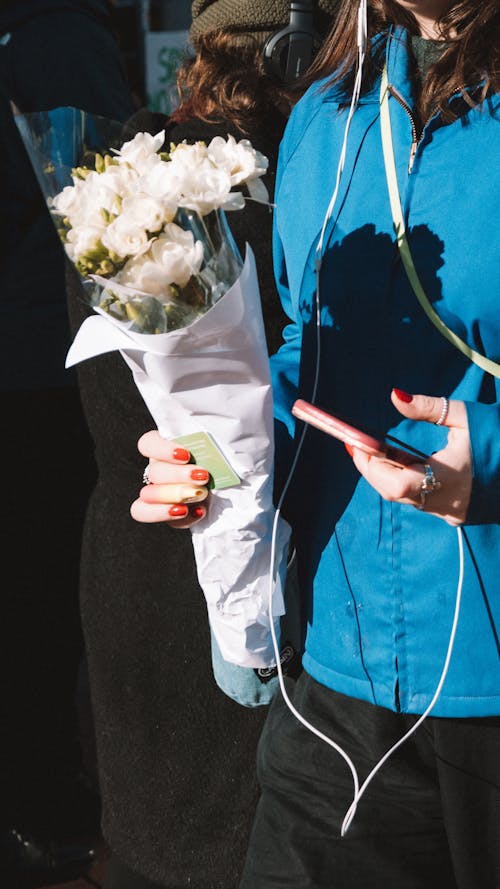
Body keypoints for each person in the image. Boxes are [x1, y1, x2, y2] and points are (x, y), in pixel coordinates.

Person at [133, 2, 500, 888]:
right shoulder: (325, 113)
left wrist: (488, 456)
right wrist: (212, 453)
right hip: (340, 665)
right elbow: (311, 344)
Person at [64, 2, 340, 888]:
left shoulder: (116, 195)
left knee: (149, 846)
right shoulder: (254, 204)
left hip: (132, 566)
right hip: (230, 576)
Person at [0, 1, 135, 886]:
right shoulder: (60, 37)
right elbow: (108, 207)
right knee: (51, 597)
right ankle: (46, 804)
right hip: (48, 366)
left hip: (29, 359)